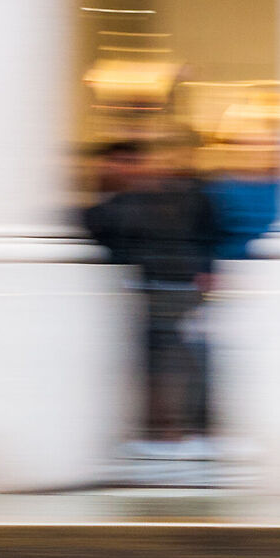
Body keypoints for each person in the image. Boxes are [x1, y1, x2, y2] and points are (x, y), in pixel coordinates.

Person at [84, 138, 221, 452]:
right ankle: (165, 429)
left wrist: (205, 269)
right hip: (145, 290)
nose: (121, 169)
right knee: (158, 361)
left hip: (173, 288)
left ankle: (178, 429)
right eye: (114, 163)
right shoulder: (109, 207)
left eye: (128, 162)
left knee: (177, 360)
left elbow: (206, 235)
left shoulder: (184, 197)